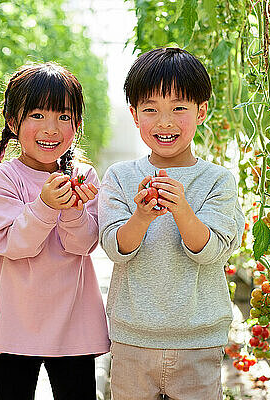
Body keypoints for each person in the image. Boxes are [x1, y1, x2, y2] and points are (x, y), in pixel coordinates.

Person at [98, 47, 245, 400]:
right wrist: (142, 216)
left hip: (198, 342)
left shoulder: (217, 180)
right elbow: (116, 248)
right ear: (134, 115)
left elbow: (210, 251)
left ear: (202, 111)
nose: (165, 122)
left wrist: (182, 210)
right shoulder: (120, 176)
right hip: (132, 339)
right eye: (151, 109)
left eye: (179, 108)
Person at [0, 62, 110, 400]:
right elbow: (11, 243)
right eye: (37, 115)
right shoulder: (0, 179)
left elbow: (83, 244)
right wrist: (47, 205)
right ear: (12, 121)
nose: (51, 129)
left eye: (63, 117)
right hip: (14, 325)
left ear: (76, 125)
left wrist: (72, 210)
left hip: (72, 324)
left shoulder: (84, 178)